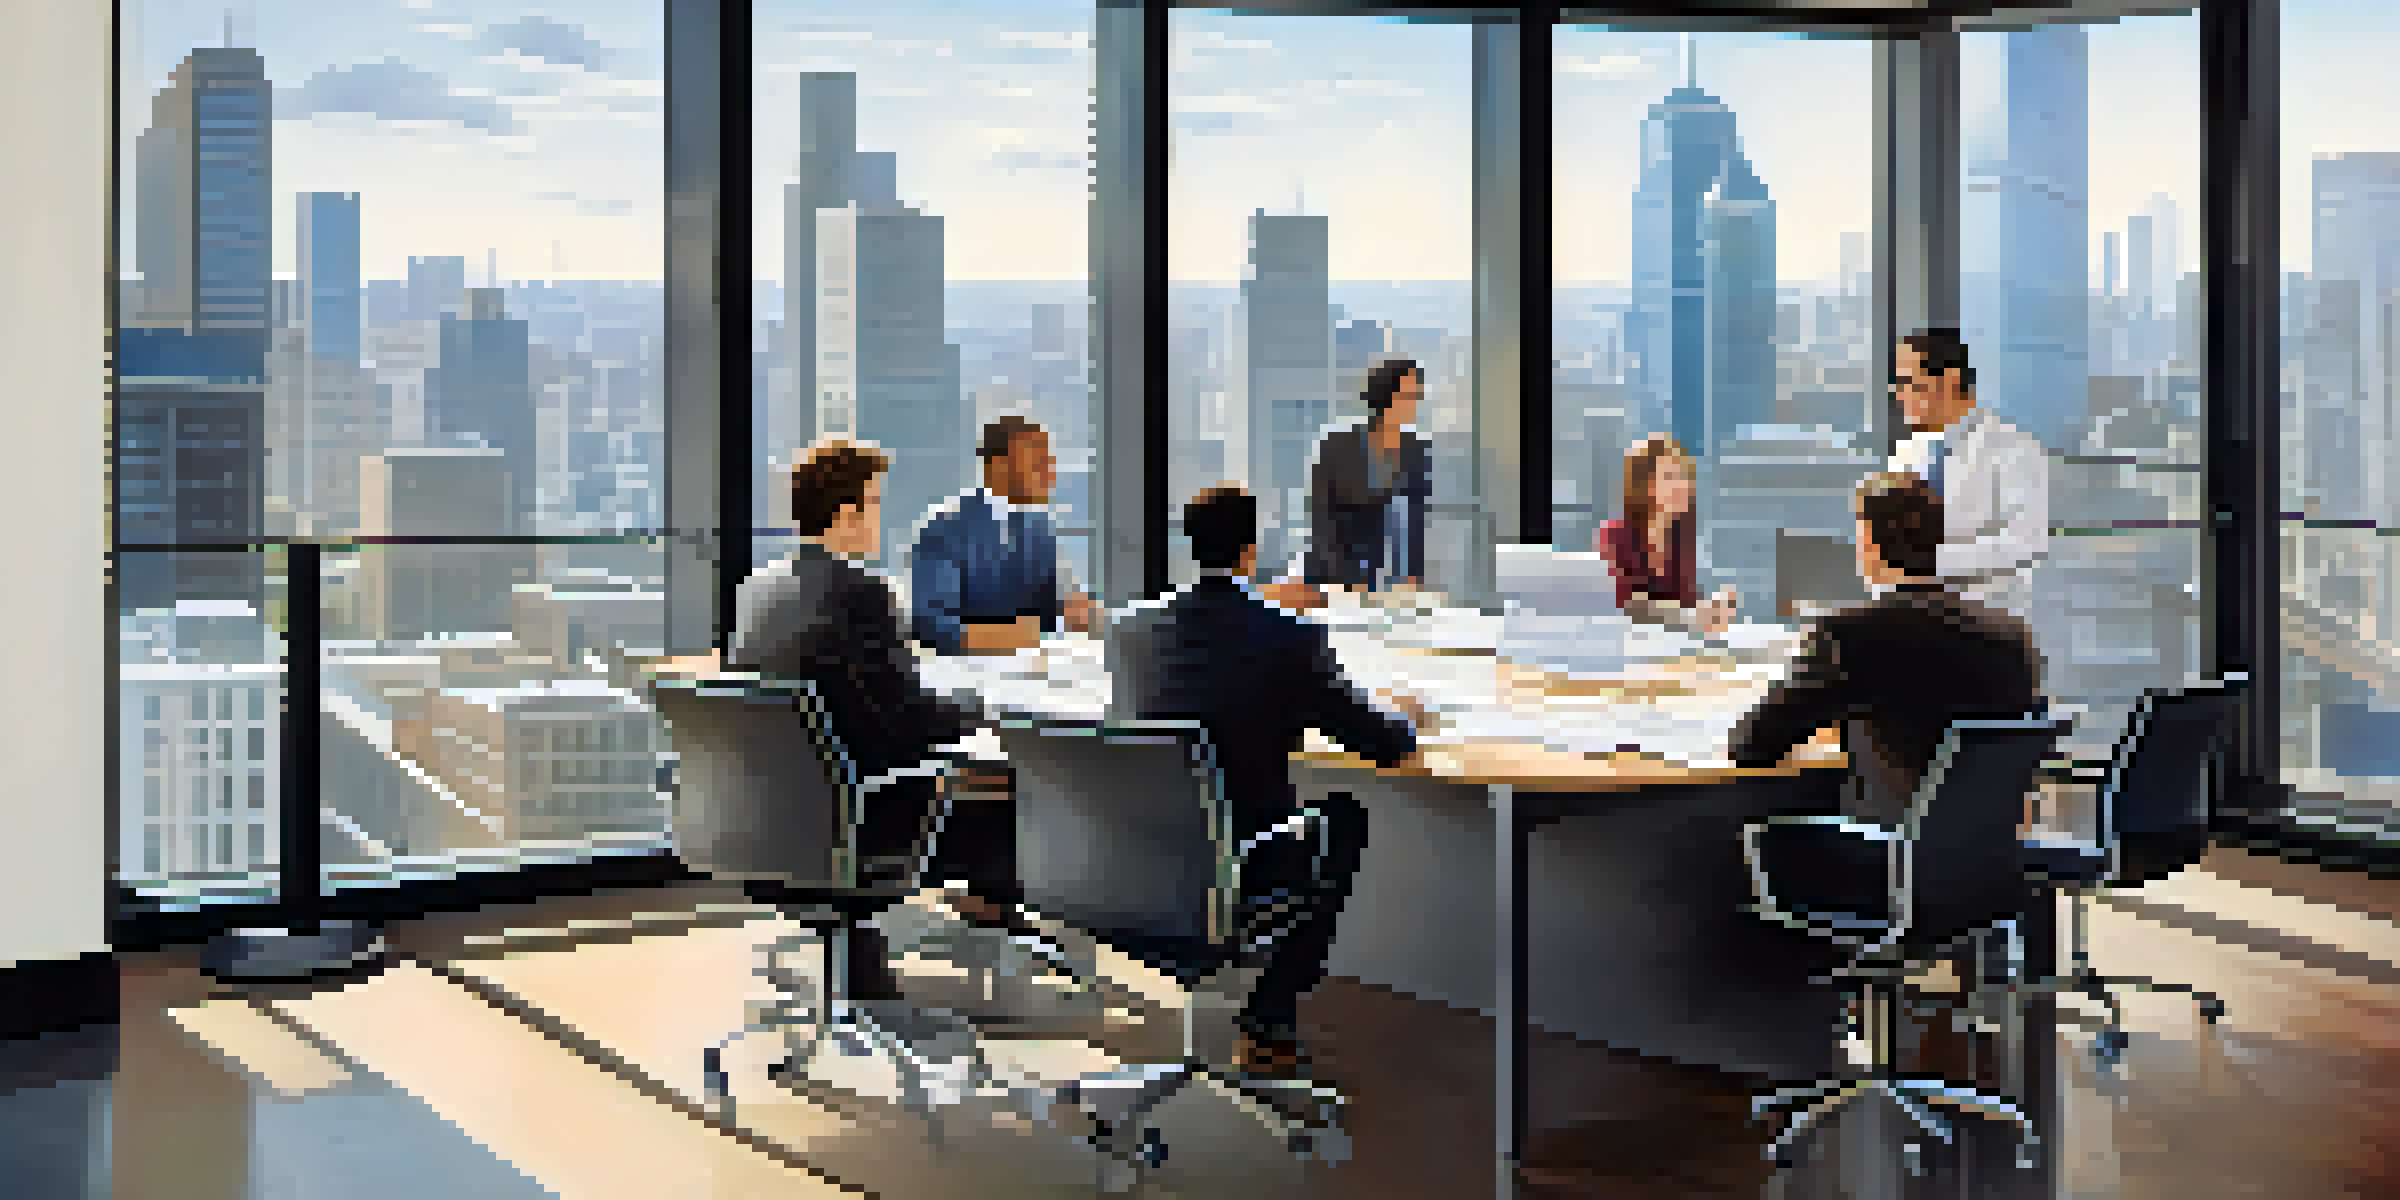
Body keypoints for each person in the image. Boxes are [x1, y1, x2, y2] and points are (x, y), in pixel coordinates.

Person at [1106, 485, 1429, 1078]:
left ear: (1190, 544)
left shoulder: (1130, 632)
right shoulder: (1287, 637)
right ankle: (1270, 1016)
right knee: (1343, 818)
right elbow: (1386, 744)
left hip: (1138, 866)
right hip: (1240, 867)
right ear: (1251, 552)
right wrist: (1408, 713)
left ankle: (1260, 1019)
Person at [726, 438, 1031, 998]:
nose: (878, 519)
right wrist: (988, 713)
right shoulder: (862, 593)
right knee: (1020, 794)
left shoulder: (759, 591)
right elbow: (907, 724)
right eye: (875, 504)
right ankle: (997, 958)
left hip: (764, 824)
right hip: (856, 825)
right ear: (847, 516)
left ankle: (877, 952)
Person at [1729, 472, 2046, 828]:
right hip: (1992, 859)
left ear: (1869, 546)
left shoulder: (1848, 634)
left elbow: (1754, 745)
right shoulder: (2013, 636)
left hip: (1886, 852)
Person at [1885, 327, 2049, 621]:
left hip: (1984, 628)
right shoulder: (1905, 453)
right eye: (1896, 385)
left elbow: (2027, 542)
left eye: (1908, 383)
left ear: (1949, 381)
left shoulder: (2013, 448)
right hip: (1909, 621)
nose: (1898, 395)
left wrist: (1933, 562)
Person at [910, 416, 1099, 655]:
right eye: (1037, 462)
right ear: (998, 466)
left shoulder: (1038, 527)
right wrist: (1015, 634)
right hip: (964, 673)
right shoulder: (944, 527)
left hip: (1032, 672)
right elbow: (931, 625)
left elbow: (1054, 610)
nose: (1049, 472)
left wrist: (1076, 613)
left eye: (1049, 461)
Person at [1303, 359, 1434, 594]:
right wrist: (1351, 581)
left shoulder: (1419, 450)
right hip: (1338, 581)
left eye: (1417, 395)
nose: (1414, 403)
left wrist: (1417, 575)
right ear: (1385, 395)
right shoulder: (1337, 447)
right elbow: (1322, 524)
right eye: (1408, 395)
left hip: (1397, 584)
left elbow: (1420, 521)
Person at [1592, 434, 1737, 635]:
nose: (1681, 486)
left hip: (1669, 651)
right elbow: (1621, 605)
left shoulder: (1679, 538)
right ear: (1644, 484)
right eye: (1670, 476)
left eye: (1684, 476)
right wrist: (1691, 616)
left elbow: (1686, 602)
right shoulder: (1615, 536)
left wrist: (1711, 612)